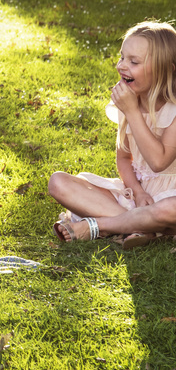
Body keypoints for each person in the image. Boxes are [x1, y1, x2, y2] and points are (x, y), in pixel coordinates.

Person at [49, 21, 176, 247]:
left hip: (169, 199)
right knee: (58, 182)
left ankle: (100, 225)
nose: (121, 66)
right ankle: (138, 227)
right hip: (136, 197)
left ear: (164, 69)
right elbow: (124, 158)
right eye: (122, 58)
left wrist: (132, 111)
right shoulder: (129, 102)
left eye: (133, 61)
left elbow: (158, 162)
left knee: (169, 208)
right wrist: (136, 191)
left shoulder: (172, 110)